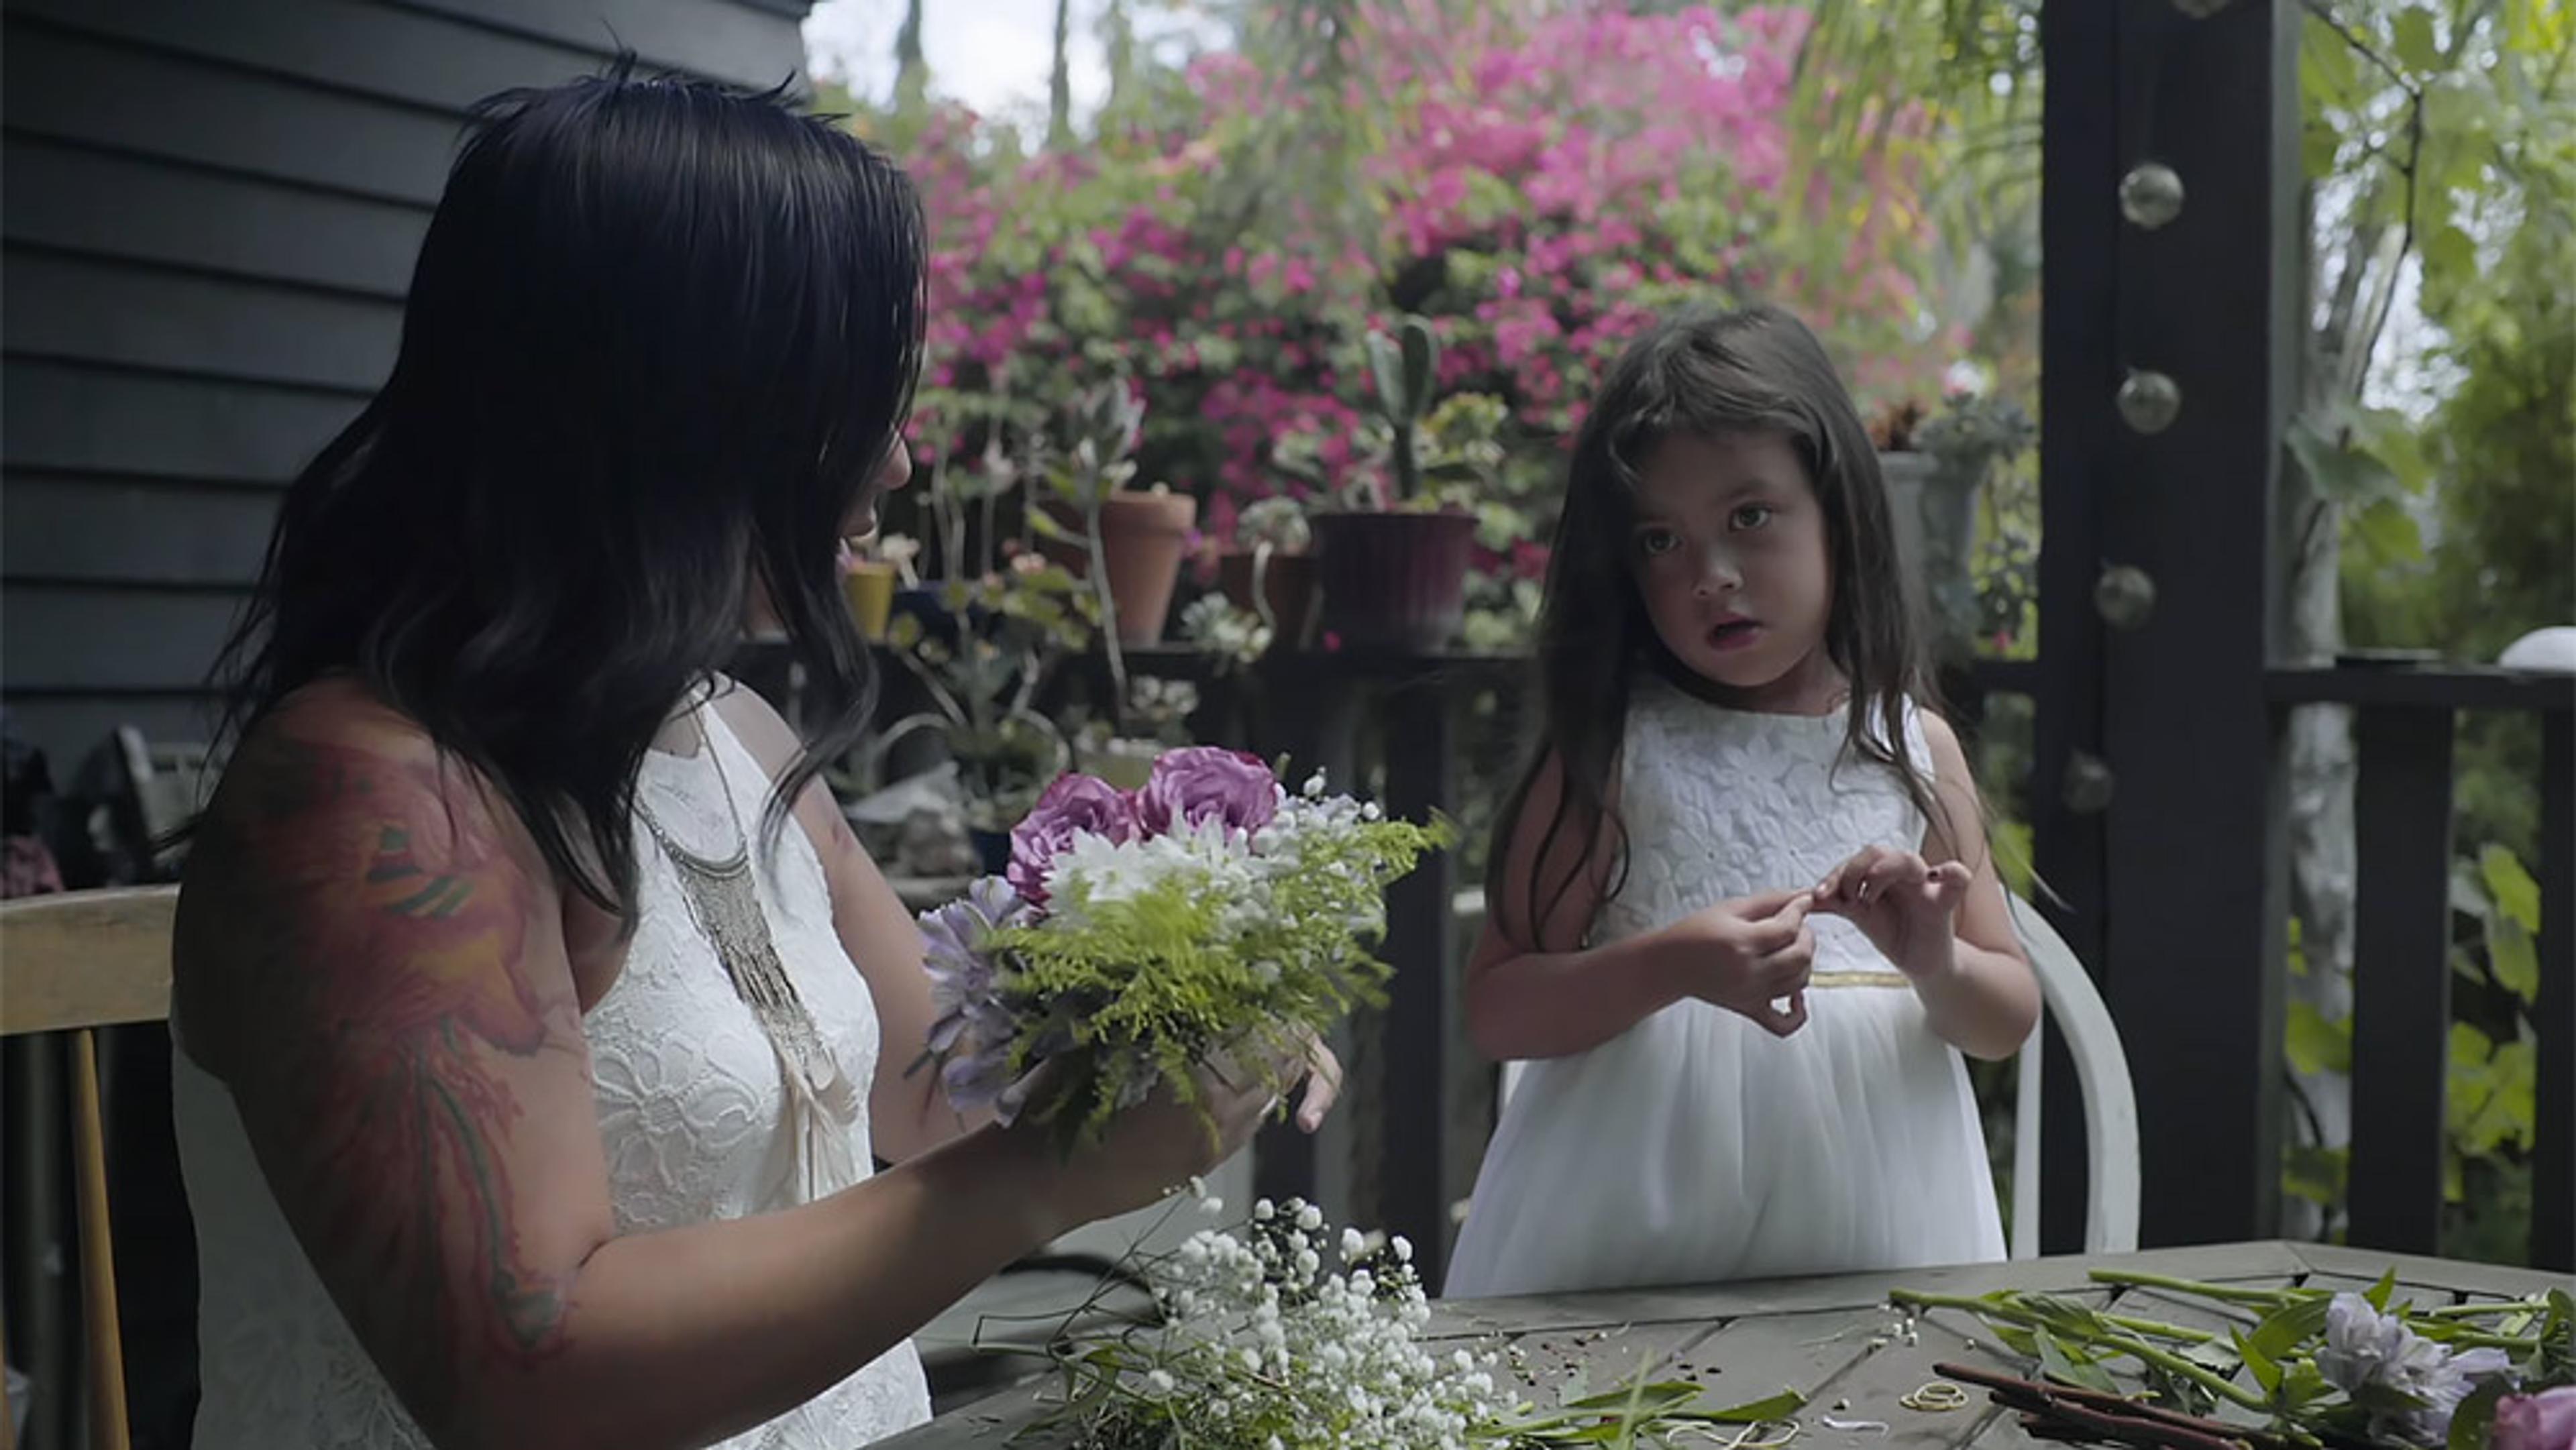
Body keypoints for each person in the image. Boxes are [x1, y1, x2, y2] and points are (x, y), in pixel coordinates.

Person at [168, 70, 1334, 1450]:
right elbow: (523, 1376)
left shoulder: (724, 729)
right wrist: (1042, 1178)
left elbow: (928, 1089)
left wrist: (1179, 1012)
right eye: (860, 402)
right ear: (691, 410)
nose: (898, 463)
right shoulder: (375, 803)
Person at [1443, 305, 2037, 1299]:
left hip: (1885, 1267)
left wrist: (1933, 958)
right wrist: (1671, 962)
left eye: (1748, 518)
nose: (1708, 575)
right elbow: (1500, 1008)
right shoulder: (1615, 750)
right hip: (1627, 1279)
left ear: (1838, 513)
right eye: (1661, 540)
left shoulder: (1911, 749)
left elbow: (2005, 1016)